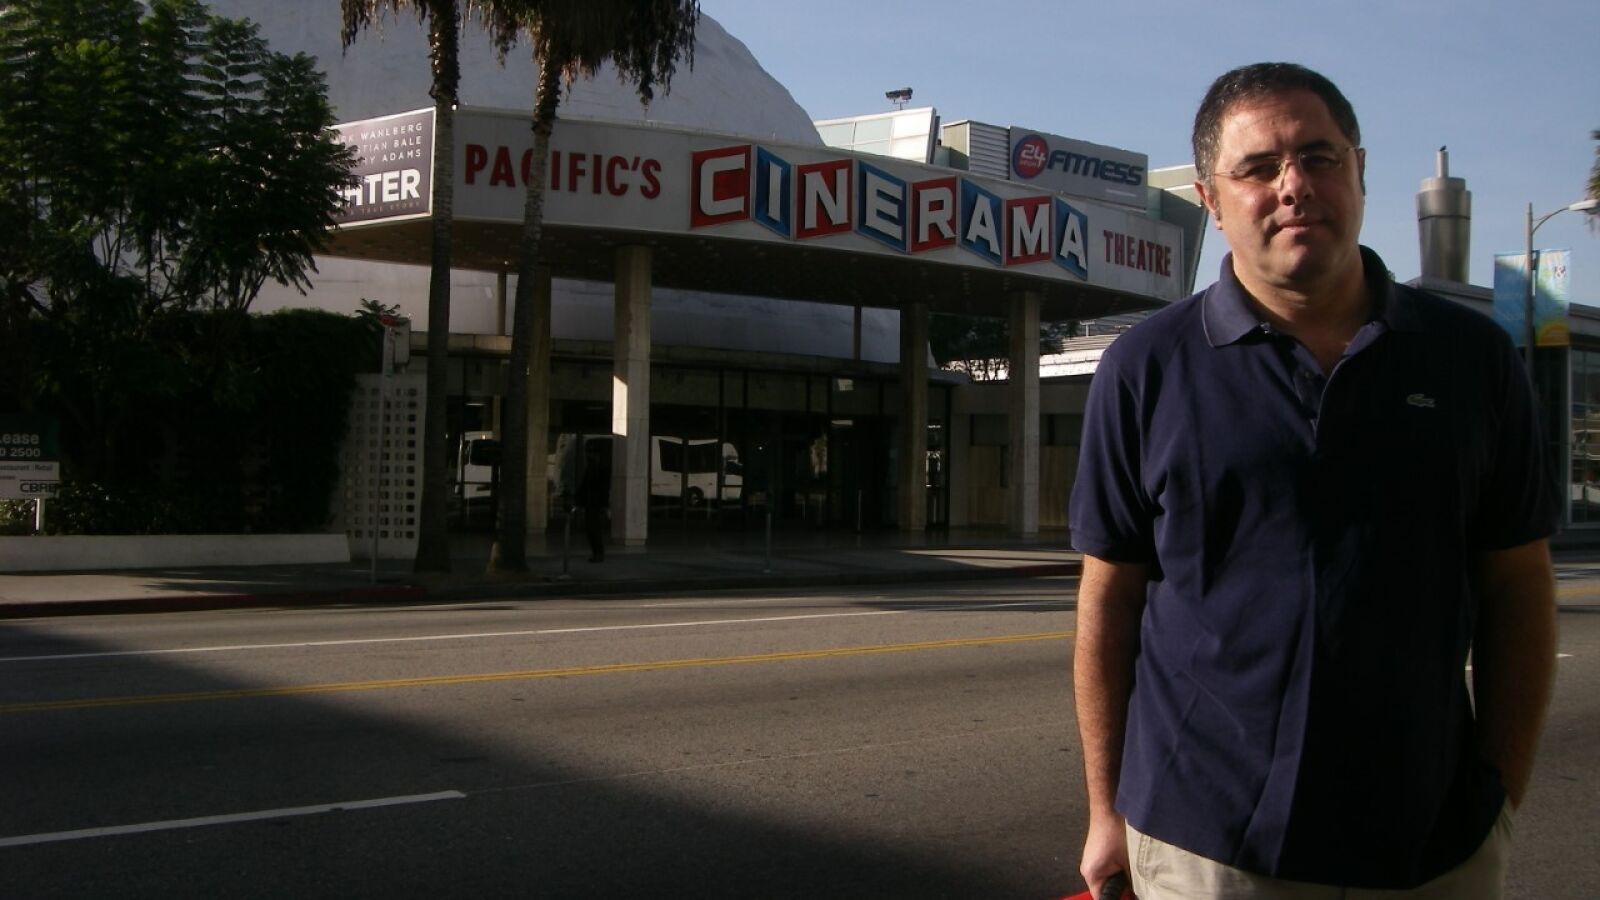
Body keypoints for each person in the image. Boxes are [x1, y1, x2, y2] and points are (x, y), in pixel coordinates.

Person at [1069, 62, 1559, 899]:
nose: (1294, 185)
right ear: (1210, 200)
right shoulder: (1145, 368)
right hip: (1205, 849)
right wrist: (1104, 809)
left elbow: (1518, 586)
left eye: (1319, 157)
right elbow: (1111, 600)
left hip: (1432, 848)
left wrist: (1500, 799)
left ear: (1359, 171)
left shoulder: (1471, 360)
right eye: (1258, 168)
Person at [575, 446, 610, 562]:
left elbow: (604, 489)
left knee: (595, 530)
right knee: (591, 530)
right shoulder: (590, 469)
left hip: (596, 504)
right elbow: (584, 486)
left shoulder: (601, 469)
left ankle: (598, 553)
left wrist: (604, 505)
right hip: (590, 504)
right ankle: (596, 553)